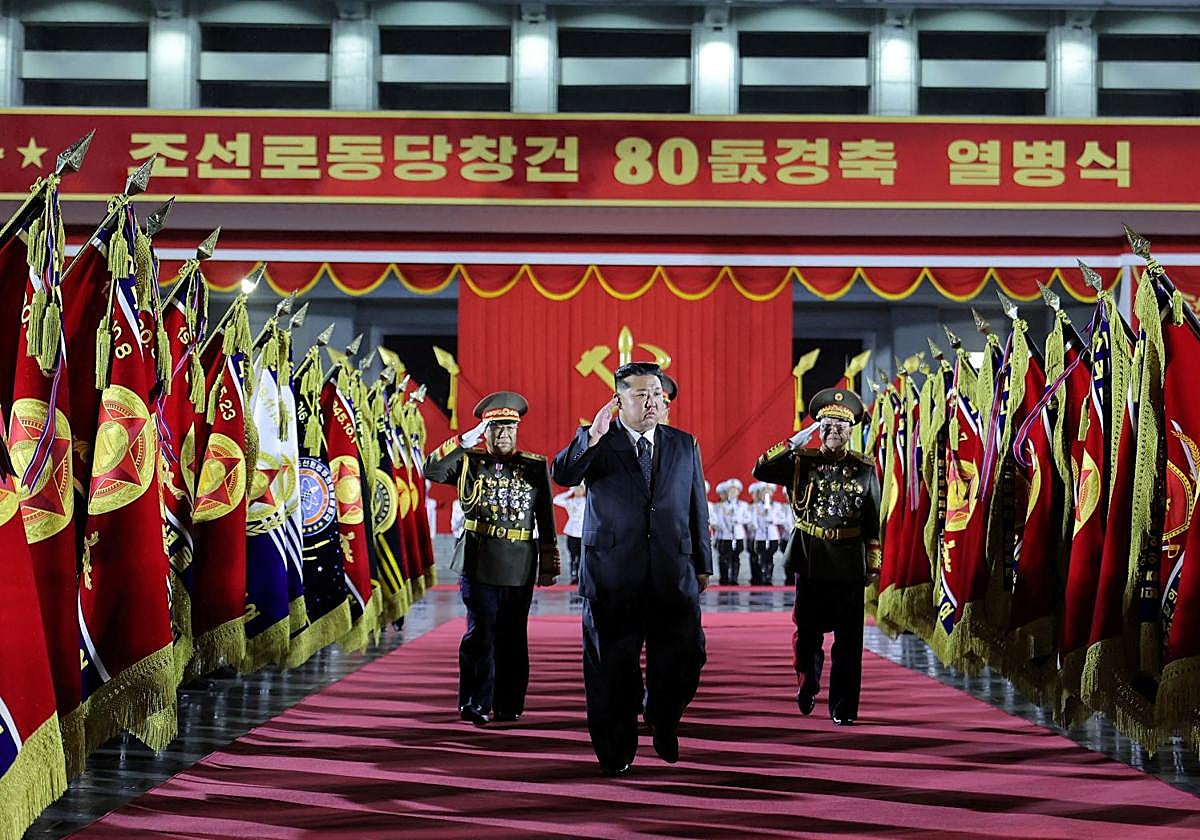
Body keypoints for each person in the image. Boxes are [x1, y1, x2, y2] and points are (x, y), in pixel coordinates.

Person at [552, 361, 711, 776]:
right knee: (611, 670)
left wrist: (704, 563)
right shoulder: (598, 442)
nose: (653, 403)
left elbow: (697, 505)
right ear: (618, 400)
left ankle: (661, 715)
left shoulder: (683, 443)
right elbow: (562, 473)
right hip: (612, 575)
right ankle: (616, 749)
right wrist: (592, 436)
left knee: (688, 657)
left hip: (672, 574)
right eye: (641, 395)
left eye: (657, 394)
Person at [425, 391, 560, 726]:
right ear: (485, 432)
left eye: (509, 428)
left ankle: (509, 703)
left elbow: (545, 516)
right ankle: (474, 701)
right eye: (496, 428)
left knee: (514, 636)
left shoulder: (533, 465)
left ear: (517, 430)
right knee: (480, 633)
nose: (503, 434)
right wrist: (465, 439)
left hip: (520, 563)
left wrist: (548, 563)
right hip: (479, 560)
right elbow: (432, 470)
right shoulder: (469, 461)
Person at [752, 387, 880, 726]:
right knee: (808, 634)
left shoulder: (864, 468)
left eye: (841, 427)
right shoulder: (801, 461)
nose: (833, 432)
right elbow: (761, 469)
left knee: (849, 641)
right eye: (826, 425)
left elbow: (872, 520)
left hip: (850, 562)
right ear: (817, 429)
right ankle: (807, 681)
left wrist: (873, 564)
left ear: (852, 431)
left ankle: (843, 707)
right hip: (811, 558)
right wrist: (797, 440)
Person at [711, 479, 749, 585]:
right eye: (730, 490)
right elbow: (714, 519)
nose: (733, 492)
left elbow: (748, 518)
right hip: (724, 536)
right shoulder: (719, 506)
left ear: (738, 492)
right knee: (723, 558)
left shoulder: (743, 505)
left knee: (736, 557)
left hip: (737, 535)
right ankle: (724, 579)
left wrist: (738, 520)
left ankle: (734, 579)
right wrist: (721, 526)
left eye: (735, 490)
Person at [747, 482, 783, 585]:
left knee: (770, 557)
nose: (766, 494)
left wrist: (772, 519)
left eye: (768, 492)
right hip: (760, 536)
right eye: (763, 492)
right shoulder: (756, 507)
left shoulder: (776, 506)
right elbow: (752, 521)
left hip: (772, 535)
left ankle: (769, 577)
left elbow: (781, 518)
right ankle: (761, 577)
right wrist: (759, 524)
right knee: (761, 556)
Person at [553, 483, 587, 585]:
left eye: (580, 489)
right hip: (572, 532)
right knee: (572, 555)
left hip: (582, 533)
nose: (578, 491)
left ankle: (582, 576)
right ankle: (573, 575)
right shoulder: (570, 502)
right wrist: (570, 492)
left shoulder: (586, 502)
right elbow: (556, 500)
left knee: (582, 556)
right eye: (576, 489)